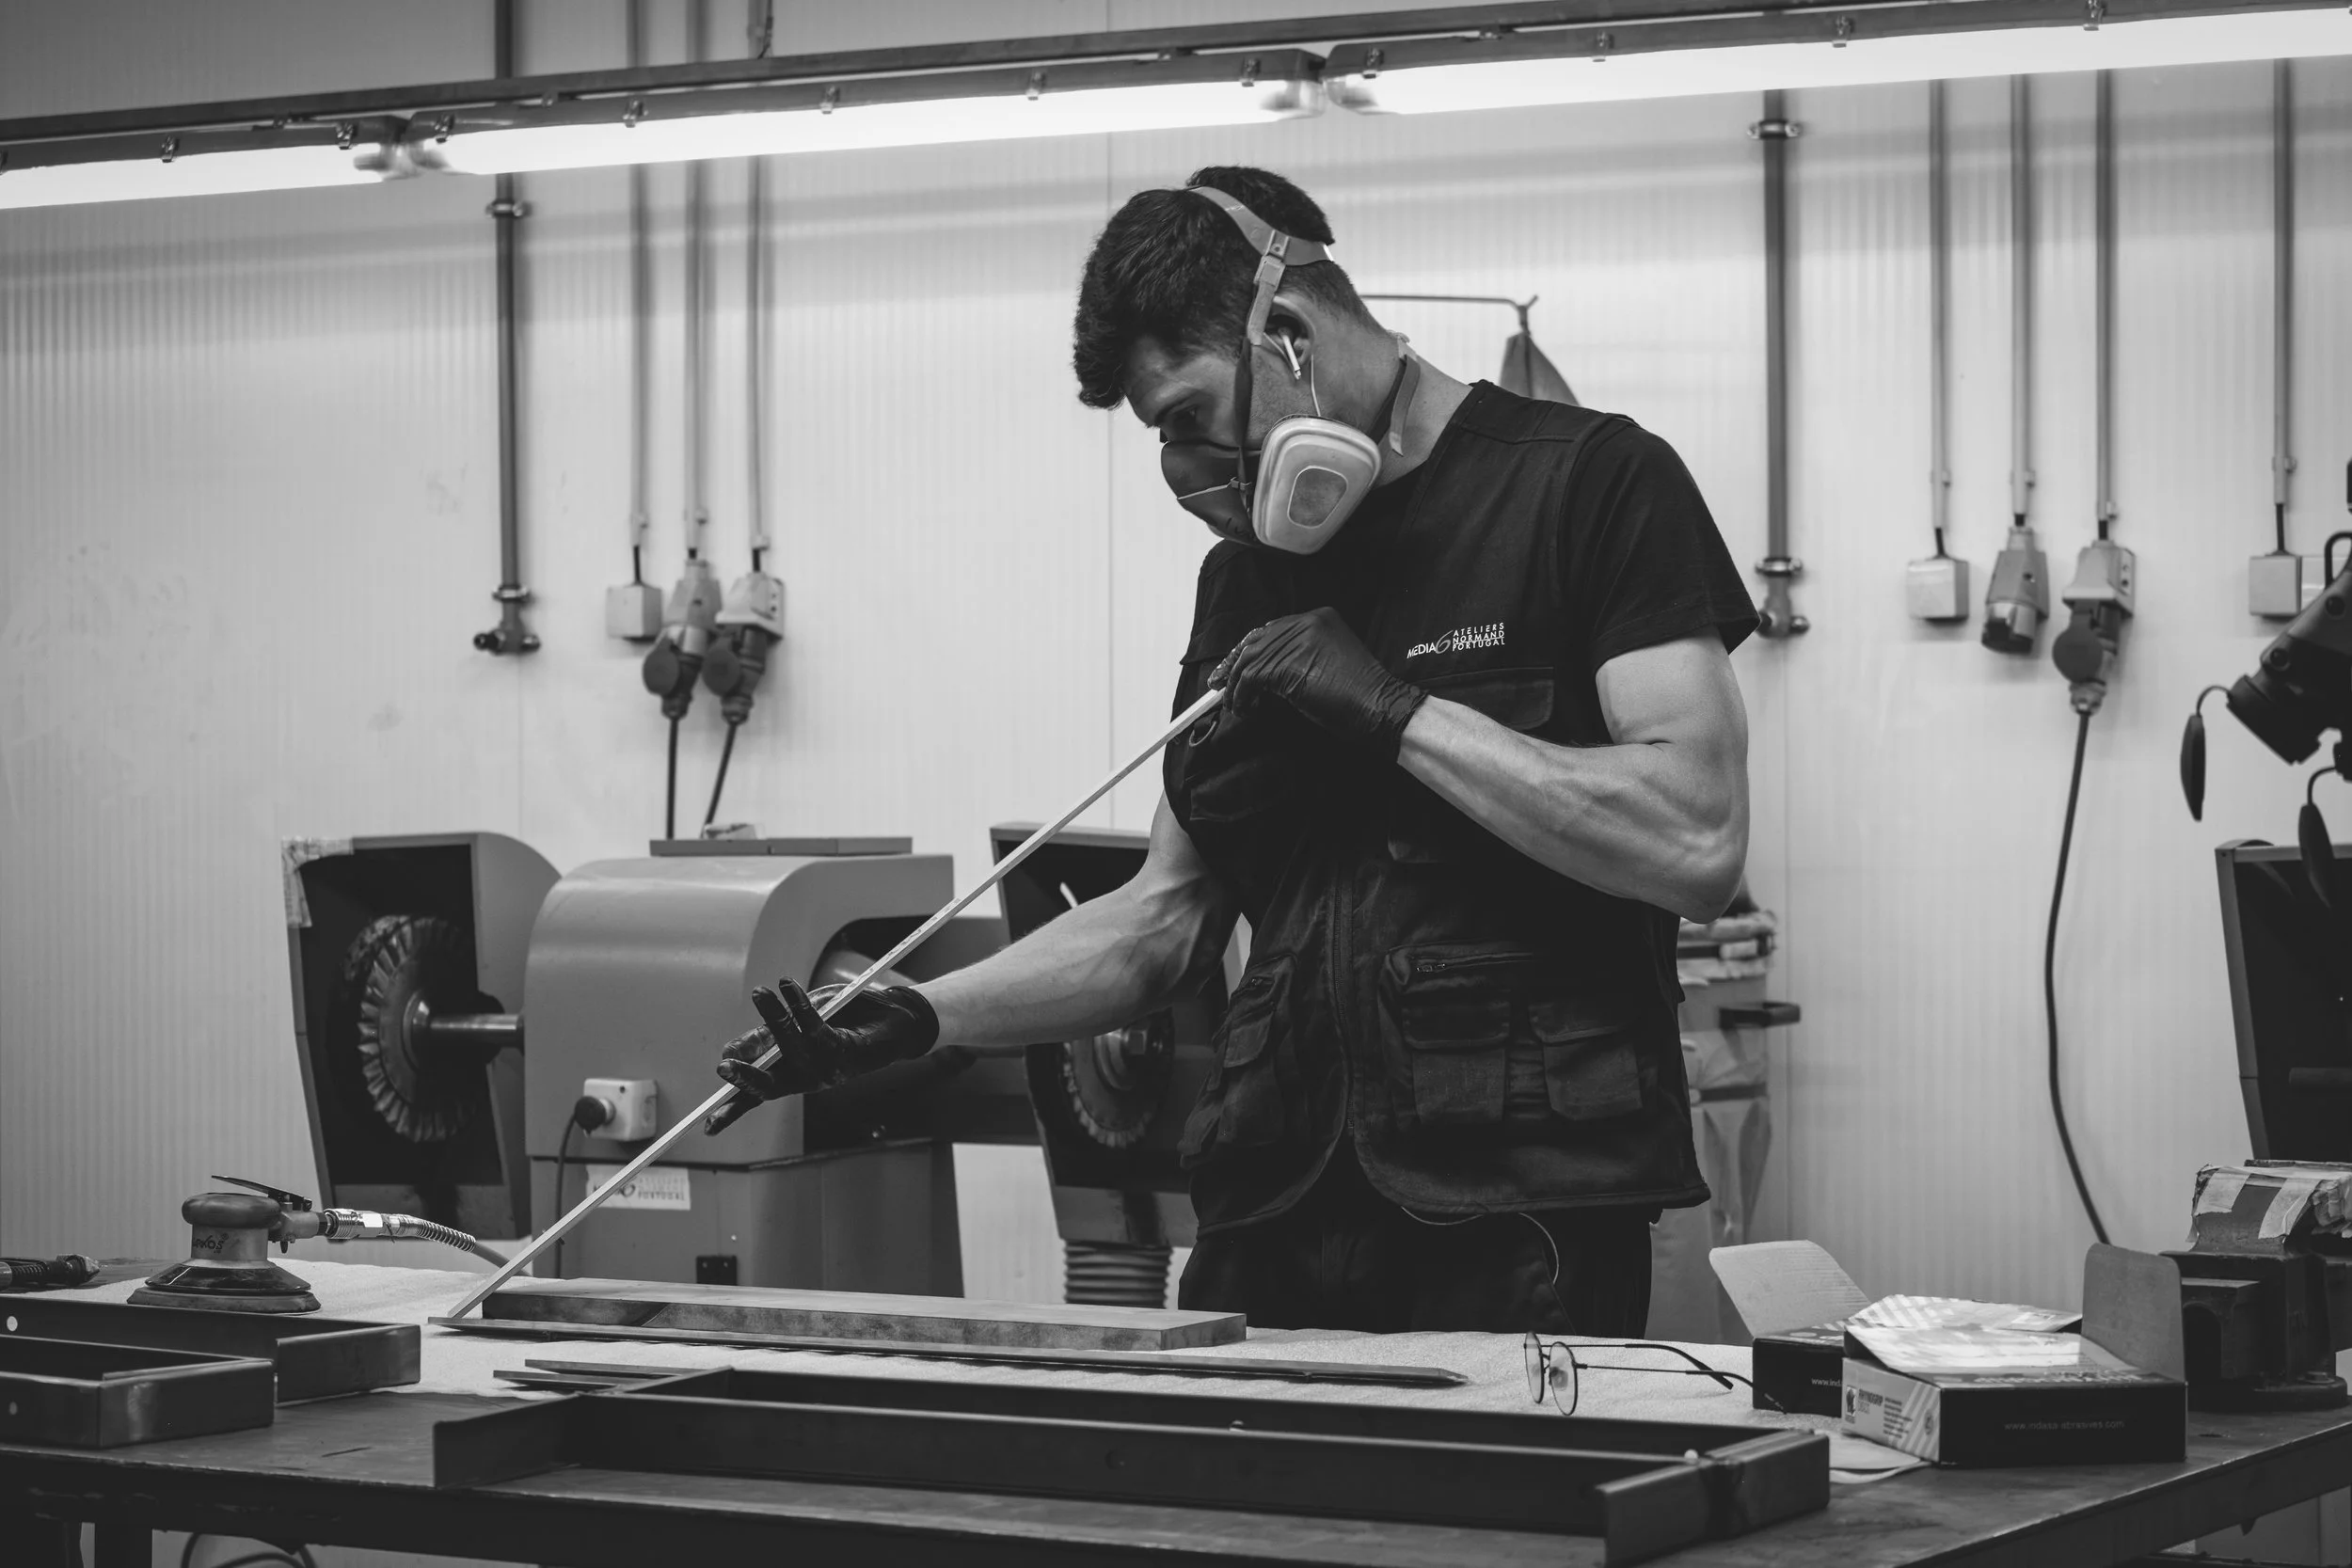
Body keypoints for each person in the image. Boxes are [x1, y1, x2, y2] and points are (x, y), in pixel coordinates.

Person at [718, 166, 1756, 1335]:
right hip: (1270, 1212)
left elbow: (1694, 834)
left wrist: (1396, 712)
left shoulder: (1588, 485)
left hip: (1518, 1220)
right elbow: (1160, 919)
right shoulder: (1248, 583)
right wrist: (917, 1013)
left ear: (1289, 334)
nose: (1185, 473)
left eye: (1187, 418)